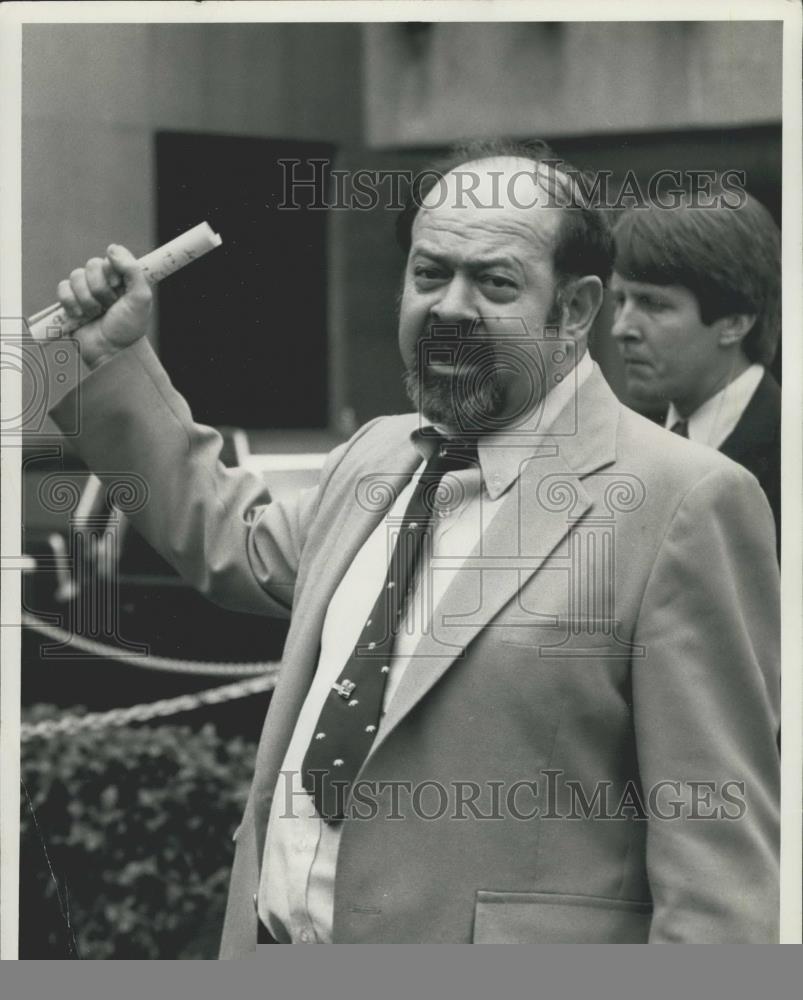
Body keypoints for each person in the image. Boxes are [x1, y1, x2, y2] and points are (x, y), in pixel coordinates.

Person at [46, 141, 780, 949]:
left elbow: (716, 880)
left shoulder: (687, 501)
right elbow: (231, 539)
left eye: (494, 282)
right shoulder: (378, 455)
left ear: (573, 311)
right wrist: (113, 358)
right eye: (429, 274)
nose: (449, 307)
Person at [610, 190, 781, 545]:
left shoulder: (788, 453)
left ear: (734, 322)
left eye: (653, 304)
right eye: (620, 300)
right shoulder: (624, 451)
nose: (621, 328)